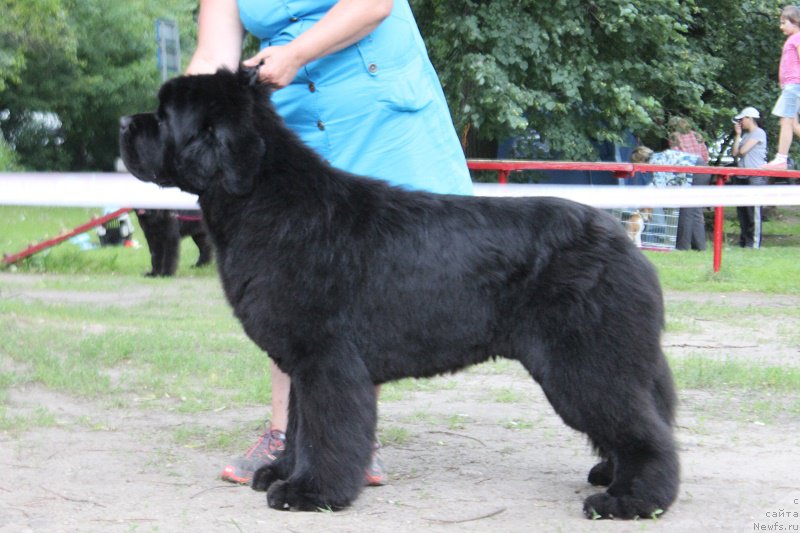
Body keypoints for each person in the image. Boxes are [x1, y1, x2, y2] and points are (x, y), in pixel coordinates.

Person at [185, 0, 473, 487]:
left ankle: (346, 441)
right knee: (286, 282)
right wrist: (178, 119)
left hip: (377, 104)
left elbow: (374, 5)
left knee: (370, 280)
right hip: (294, 113)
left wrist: (295, 54)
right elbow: (213, 57)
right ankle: (286, 437)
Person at [629, 145, 706, 251]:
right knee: (695, 210)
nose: (641, 171)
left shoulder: (655, 162)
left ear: (641, 160)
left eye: (638, 165)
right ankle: (700, 247)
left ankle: (682, 247)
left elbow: (660, 187)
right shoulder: (659, 157)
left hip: (695, 171)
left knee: (686, 211)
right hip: (700, 167)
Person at [762, 5, 800, 170]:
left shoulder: (797, 38)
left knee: (786, 121)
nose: (781, 27)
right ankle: (781, 159)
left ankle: (781, 159)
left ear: (795, 21)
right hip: (790, 86)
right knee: (793, 124)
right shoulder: (792, 39)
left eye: (784, 23)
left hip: (794, 85)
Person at [732, 106, 769, 248]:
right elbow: (735, 153)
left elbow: (742, 151)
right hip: (742, 176)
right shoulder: (746, 135)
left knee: (753, 211)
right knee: (743, 211)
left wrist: (739, 142)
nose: (740, 122)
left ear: (750, 118)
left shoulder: (759, 133)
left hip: (755, 177)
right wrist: (737, 135)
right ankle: (744, 241)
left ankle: (754, 242)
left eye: (742, 119)